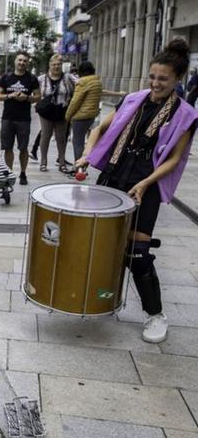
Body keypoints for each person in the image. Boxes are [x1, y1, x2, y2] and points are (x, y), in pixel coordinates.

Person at [75, 38, 197, 344]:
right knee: (103, 243)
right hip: (114, 174)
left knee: (137, 253)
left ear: (178, 78)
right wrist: (87, 154)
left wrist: (144, 183)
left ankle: (156, 315)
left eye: (163, 79)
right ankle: (101, 299)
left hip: (146, 183)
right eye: (152, 77)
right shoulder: (133, 100)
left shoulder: (185, 115)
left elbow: (174, 159)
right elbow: (99, 129)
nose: (155, 83)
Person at [0, 51, 40, 185]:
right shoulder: (6, 78)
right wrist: (10, 96)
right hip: (7, 117)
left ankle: (23, 173)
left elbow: (38, 96)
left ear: (27, 63)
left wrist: (26, 97)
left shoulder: (32, 78)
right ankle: (9, 173)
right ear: (15, 61)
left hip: (24, 118)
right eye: (20, 60)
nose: (22, 63)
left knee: (23, 148)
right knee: (7, 147)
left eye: (24, 61)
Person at [36, 54, 75, 173]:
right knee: (45, 136)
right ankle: (43, 162)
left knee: (61, 138)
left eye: (58, 64)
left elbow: (80, 86)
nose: (56, 67)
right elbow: (36, 93)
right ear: (49, 65)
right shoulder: (41, 79)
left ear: (61, 65)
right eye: (54, 64)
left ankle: (62, 163)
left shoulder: (68, 78)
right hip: (46, 112)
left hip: (62, 111)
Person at [65, 61, 102, 165]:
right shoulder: (97, 81)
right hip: (91, 116)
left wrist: (67, 116)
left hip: (81, 116)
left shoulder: (82, 82)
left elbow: (75, 101)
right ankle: (83, 166)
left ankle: (79, 167)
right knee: (86, 142)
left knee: (78, 143)